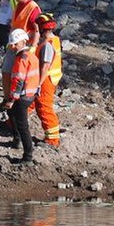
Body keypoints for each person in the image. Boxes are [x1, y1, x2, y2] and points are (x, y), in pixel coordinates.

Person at [2, 28, 40, 164]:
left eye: (15, 44)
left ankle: (28, 156)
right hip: (30, 94)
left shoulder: (20, 59)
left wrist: (11, 99)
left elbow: (18, 81)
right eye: (12, 44)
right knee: (12, 114)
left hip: (23, 97)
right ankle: (16, 140)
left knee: (23, 125)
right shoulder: (31, 56)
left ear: (23, 42)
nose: (12, 46)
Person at [36, 11, 63, 148]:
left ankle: (53, 139)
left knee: (44, 107)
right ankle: (13, 123)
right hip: (49, 78)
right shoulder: (55, 40)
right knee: (29, 103)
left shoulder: (47, 45)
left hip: (46, 80)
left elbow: (45, 66)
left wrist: (38, 84)